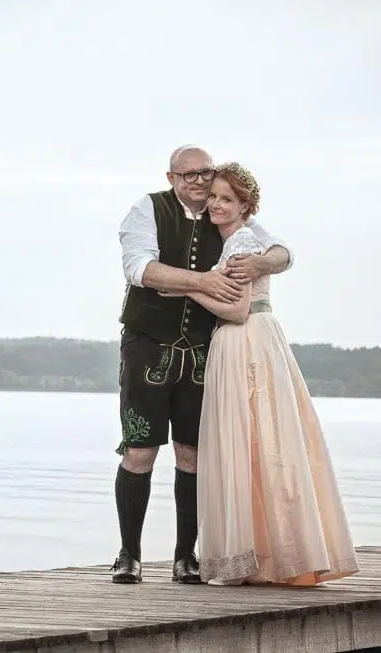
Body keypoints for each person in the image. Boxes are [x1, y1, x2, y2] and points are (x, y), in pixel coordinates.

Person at [172, 162, 359, 586]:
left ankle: (272, 555)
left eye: (227, 199)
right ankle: (271, 554)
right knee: (261, 445)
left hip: (245, 340)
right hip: (250, 339)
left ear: (245, 207)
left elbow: (237, 309)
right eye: (214, 197)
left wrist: (189, 287)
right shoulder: (238, 238)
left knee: (256, 443)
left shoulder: (241, 242)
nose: (217, 205)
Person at [112, 145, 293, 584]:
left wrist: (263, 262)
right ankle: (129, 555)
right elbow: (138, 268)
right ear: (171, 177)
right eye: (187, 174)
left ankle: (184, 557)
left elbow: (282, 253)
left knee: (191, 452)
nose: (197, 181)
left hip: (203, 350)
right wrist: (202, 281)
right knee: (140, 449)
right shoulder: (148, 209)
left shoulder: (226, 217)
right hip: (148, 344)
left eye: (204, 173)